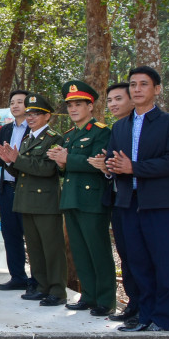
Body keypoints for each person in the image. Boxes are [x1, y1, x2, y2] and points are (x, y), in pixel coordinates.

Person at [104, 66, 169, 332]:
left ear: (156, 90)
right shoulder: (120, 126)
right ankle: (145, 317)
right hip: (128, 202)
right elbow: (114, 160)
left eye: (143, 84)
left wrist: (134, 168)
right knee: (137, 263)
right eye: (133, 84)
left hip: (159, 204)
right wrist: (111, 165)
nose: (136, 89)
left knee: (163, 265)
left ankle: (163, 320)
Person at [48, 80, 115, 316]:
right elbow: (65, 168)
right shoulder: (70, 135)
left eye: (79, 104)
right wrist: (60, 163)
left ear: (91, 106)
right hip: (71, 197)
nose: (73, 109)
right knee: (80, 251)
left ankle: (105, 300)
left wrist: (67, 159)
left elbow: (98, 164)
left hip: (92, 199)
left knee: (98, 250)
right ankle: (88, 296)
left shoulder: (102, 131)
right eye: (70, 105)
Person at [0, 94, 67, 307]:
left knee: (51, 248)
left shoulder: (55, 138)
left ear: (47, 116)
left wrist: (17, 159)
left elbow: (46, 169)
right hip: (25, 200)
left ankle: (57, 290)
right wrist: (9, 162)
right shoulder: (28, 139)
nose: (31, 117)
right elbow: (20, 171)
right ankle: (42, 286)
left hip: (45, 202)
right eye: (29, 114)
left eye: (36, 114)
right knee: (34, 248)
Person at [89, 83, 139, 326]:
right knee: (126, 255)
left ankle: (146, 309)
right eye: (109, 100)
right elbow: (112, 164)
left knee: (142, 257)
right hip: (119, 199)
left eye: (118, 98)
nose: (113, 104)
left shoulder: (149, 127)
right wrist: (105, 168)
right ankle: (133, 305)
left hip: (143, 201)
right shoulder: (118, 127)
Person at [0, 89, 35, 293]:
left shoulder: (35, 129)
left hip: (27, 189)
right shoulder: (5, 130)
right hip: (7, 188)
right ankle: (18, 276)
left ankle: (37, 279)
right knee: (11, 234)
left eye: (20, 101)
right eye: (12, 102)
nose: (16, 105)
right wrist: (2, 155)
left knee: (32, 235)